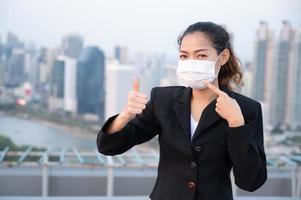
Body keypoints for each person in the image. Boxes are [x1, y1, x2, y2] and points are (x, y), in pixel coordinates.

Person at [97, 21, 267, 200]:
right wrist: (125, 115)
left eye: (201, 56)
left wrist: (236, 124)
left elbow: (251, 181)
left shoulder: (246, 109)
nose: (191, 62)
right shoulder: (163, 100)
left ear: (223, 57)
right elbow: (108, 146)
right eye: (184, 56)